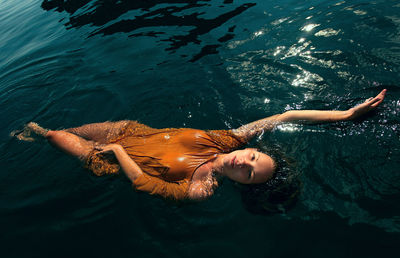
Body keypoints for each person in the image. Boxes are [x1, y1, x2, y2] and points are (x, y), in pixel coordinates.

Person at [13, 89, 386, 203]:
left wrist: (118, 154)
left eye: (250, 174)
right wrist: (346, 115)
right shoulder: (229, 139)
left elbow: (145, 184)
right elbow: (286, 117)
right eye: (254, 158)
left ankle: (34, 132)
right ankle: (30, 132)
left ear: (243, 186)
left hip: (109, 158)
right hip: (128, 130)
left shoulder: (200, 189)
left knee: (54, 135)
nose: (245, 162)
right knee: (66, 128)